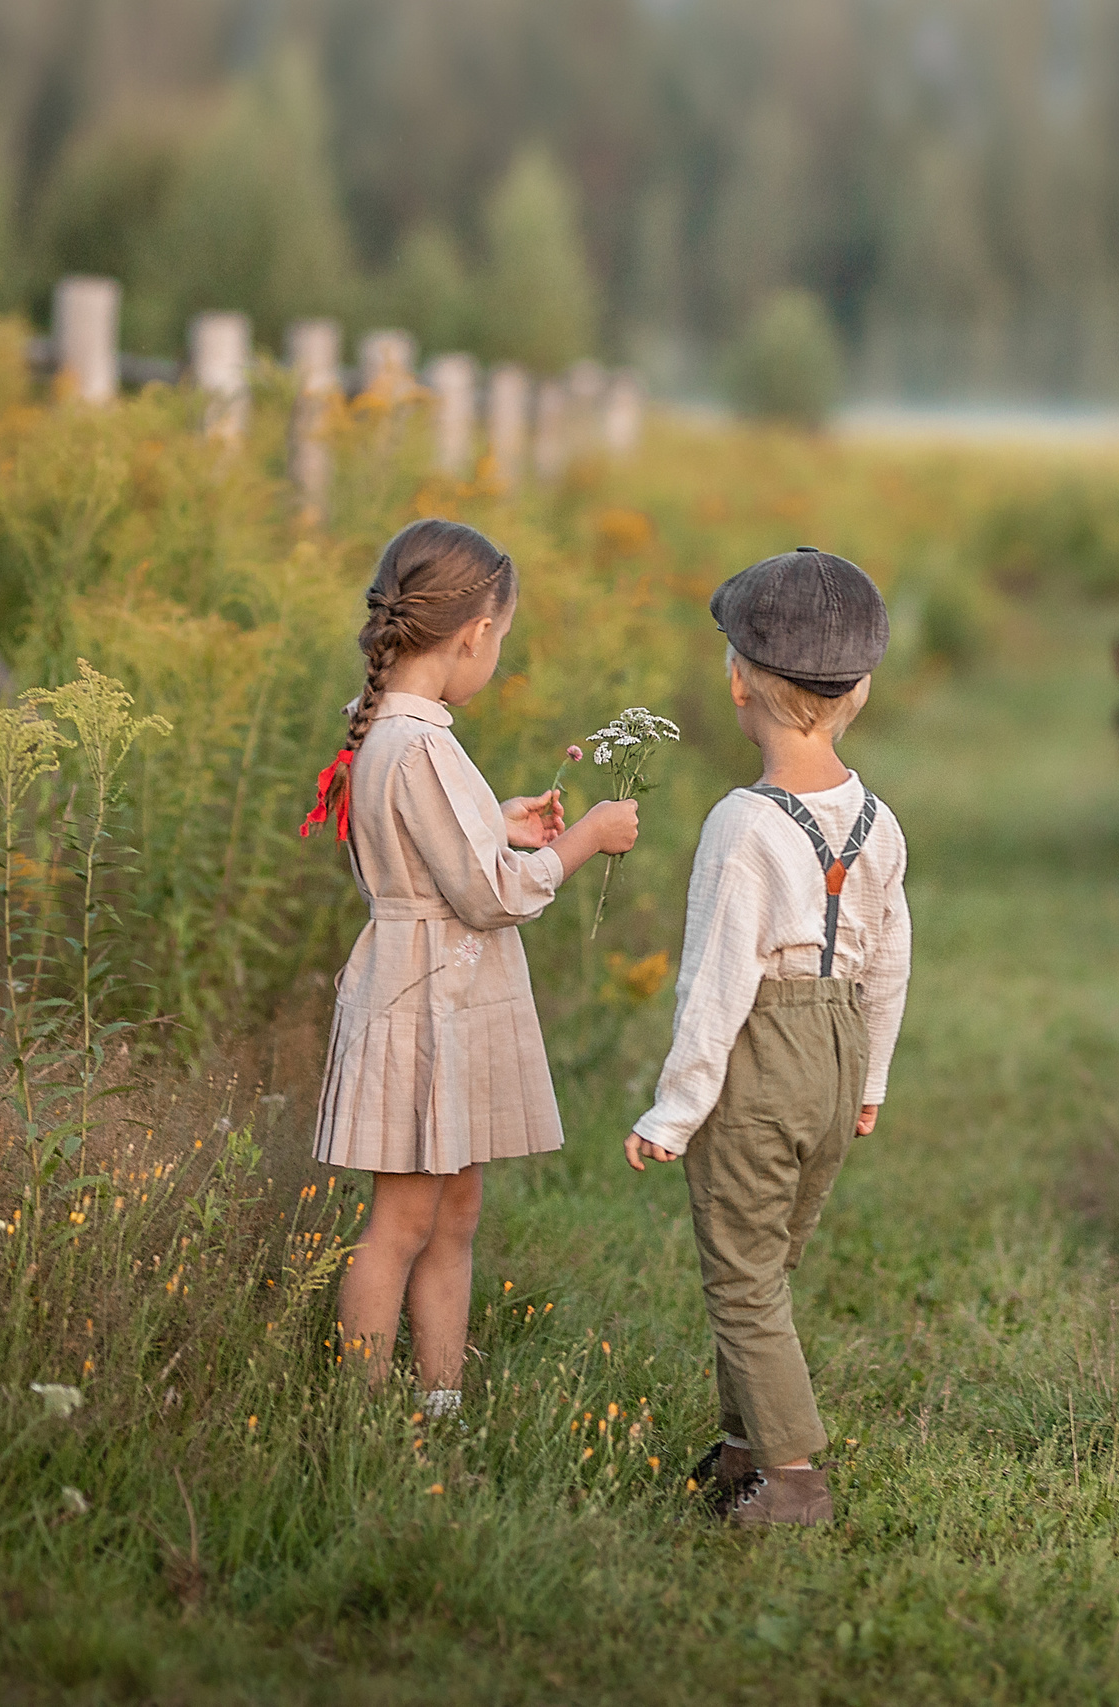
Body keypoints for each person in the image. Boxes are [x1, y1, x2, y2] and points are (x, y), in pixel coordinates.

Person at [305, 518, 639, 1420]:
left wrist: (499, 819)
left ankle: (438, 1405)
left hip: (441, 997)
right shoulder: (417, 743)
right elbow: (490, 896)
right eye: (505, 638)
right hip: (423, 1002)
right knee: (404, 1225)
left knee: (454, 1217)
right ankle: (363, 1415)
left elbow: (439, 847)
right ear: (474, 634)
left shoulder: (392, 731)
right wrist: (579, 840)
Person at [624, 547, 911, 1528]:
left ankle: (791, 1483)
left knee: (741, 1280)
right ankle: (743, 1451)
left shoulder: (740, 826)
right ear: (858, 690)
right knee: (767, 1268)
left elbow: (715, 984)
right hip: (834, 1058)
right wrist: (869, 1079)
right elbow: (891, 961)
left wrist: (676, 1109)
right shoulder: (877, 820)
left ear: (737, 678)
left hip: (762, 1056)